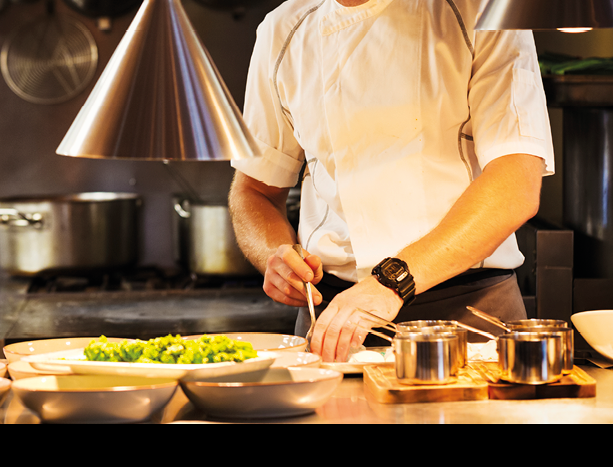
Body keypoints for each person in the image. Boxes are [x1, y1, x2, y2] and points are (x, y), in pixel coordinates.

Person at [228, 0, 555, 363]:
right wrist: (275, 253)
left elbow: (516, 184)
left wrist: (392, 282)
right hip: (334, 320)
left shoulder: (483, 9)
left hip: (468, 314)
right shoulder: (282, 29)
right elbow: (253, 190)